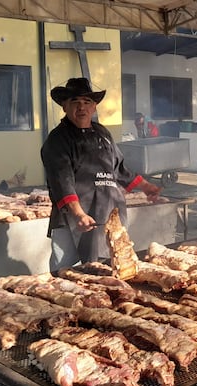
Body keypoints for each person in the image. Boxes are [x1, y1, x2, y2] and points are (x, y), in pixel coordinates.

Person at [41, 77, 161, 270]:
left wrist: (146, 187)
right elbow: (61, 180)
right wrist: (78, 213)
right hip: (73, 217)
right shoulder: (57, 139)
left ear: (94, 107)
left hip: (108, 214)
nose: (81, 107)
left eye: (87, 102)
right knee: (65, 272)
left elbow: (119, 169)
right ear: (64, 106)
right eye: (75, 102)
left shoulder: (102, 133)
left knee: (109, 269)